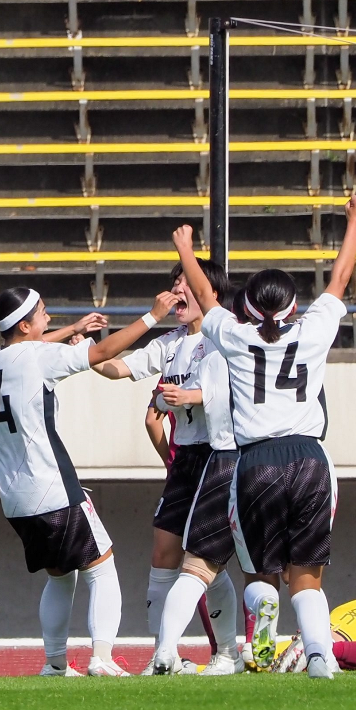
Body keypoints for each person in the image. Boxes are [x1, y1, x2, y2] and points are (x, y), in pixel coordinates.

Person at [172, 194, 356, 679]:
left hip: (256, 461)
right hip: (310, 458)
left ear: (248, 305)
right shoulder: (314, 330)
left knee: (259, 572)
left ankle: (262, 625)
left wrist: (186, 251)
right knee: (307, 575)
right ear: (293, 304)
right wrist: (355, 222)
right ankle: (318, 655)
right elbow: (340, 278)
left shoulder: (236, 336)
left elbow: (207, 297)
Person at [0, 287, 166, 677]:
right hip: (52, 488)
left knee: (61, 578)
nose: (49, 317)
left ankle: (54, 663)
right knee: (102, 568)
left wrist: (72, 328)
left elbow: (29, 347)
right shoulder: (38, 356)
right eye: (43, 312)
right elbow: (102, 352)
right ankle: (102, 658)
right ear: (25, 325)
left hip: (15, 499)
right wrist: (153, 316)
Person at [91, 261, 247, 675]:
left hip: (220, 455)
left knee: (206, 562)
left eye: (185, 285)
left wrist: (189, 397)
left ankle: (227, 651)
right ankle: (166, 655)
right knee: (164, 554)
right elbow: (114, 368)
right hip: (187, 459)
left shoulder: (226, 335)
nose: (178, 292)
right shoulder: (170, 343)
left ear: (208, 292)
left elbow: (238, 392)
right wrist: (87, 351)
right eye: (174, 285)